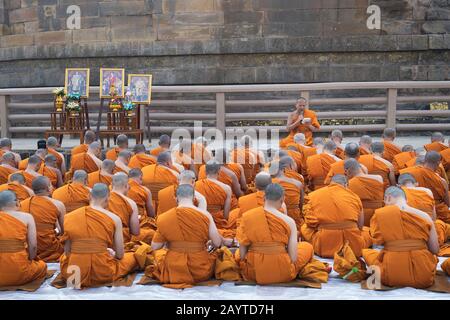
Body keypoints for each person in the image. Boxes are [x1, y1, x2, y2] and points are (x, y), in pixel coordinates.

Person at [149, 184, 231, 288]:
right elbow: (217, 243)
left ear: (175, 198)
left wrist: (170, 241)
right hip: (200, 270)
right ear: (194, 198)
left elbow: (155, 247)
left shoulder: (163, 217)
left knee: (159, 256)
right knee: (218, 256)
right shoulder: (205, 215)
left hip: (173, 270)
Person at [59, 183, 139, 288]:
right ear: (107, 199)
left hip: (74, 274)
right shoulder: (114, 218)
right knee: (135, 256)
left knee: (63, 258)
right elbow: (120, 255)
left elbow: (67, 251)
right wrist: (108, 252)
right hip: (103, 272)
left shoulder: (69, 217)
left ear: (89, 196)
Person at [236, 183, 314, 284]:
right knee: (307, 246)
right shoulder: (289, 221)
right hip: (283, 273)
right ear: (282, 200)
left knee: (237, 253)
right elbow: (293, 257)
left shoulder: (247, 216)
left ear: (264, 197)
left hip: (253, 273)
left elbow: (242, 255)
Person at [362, 187, 439, 289]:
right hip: (423, 277)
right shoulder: (425, 216)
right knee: (432, 258)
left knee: (367, 253)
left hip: (392, 275)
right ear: (406, 200)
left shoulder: (381, 214)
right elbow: (435, 249)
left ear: (387, 198)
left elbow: (378, 242)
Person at [301, 175, 372, 258]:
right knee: (367, 231)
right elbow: (360, 226)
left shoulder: (314, 195)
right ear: (346, 185)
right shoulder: (354, 196)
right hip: (353, 246)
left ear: (330, 183)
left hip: (324, 245)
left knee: (304, 227)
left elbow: (310, 223)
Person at [0, 191, 47, 287]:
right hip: (20, 272)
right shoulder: (26, 217)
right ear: (17, 203)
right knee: (42, 266)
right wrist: (31, 260)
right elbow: (33, 246)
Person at [20, 176, 65, 262]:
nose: (52, 187)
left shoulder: (23, 204)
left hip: (28, 248)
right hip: (49, 247)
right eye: (51, 185)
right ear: (48, 188)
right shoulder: (58, 204)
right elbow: (63, 231)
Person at [400, 151, 449, 223]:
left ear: (424, 160)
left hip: (415, 209)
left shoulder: (410, 173)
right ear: (438, 163)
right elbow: (447, 202)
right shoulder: (441, 181)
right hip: (439, 212)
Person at [195, 160, 234, 235]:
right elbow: (226, 216)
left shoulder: (195, 186)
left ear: (205, 172)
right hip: (218, 224)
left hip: (201, 221)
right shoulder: (226, 188)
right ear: (219, 171)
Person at [345, 159, 384, 227]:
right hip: (379, 213)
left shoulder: (349, 184)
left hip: (362, 216)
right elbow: (366, 178)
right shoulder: (379, 178)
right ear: (361, 167)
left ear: (347, 171)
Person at [271, 157, 304, 229]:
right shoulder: (298, 183)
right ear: (284, 169)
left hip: (276, 214)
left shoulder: (270, 183)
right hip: (294, 216)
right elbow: (302, 203)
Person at [107, 173, 140, 243]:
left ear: (112, 185)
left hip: (105, 239)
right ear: (126, 186)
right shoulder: (131, 203)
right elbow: (135, 232)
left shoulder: (103, 200)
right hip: (122, 241)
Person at [127, 168, 157, 243]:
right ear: (140, 177)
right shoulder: (145, 190)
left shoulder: (116, 188)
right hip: (139, 222)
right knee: (153, 234)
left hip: (123, 223)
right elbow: (150, 212)